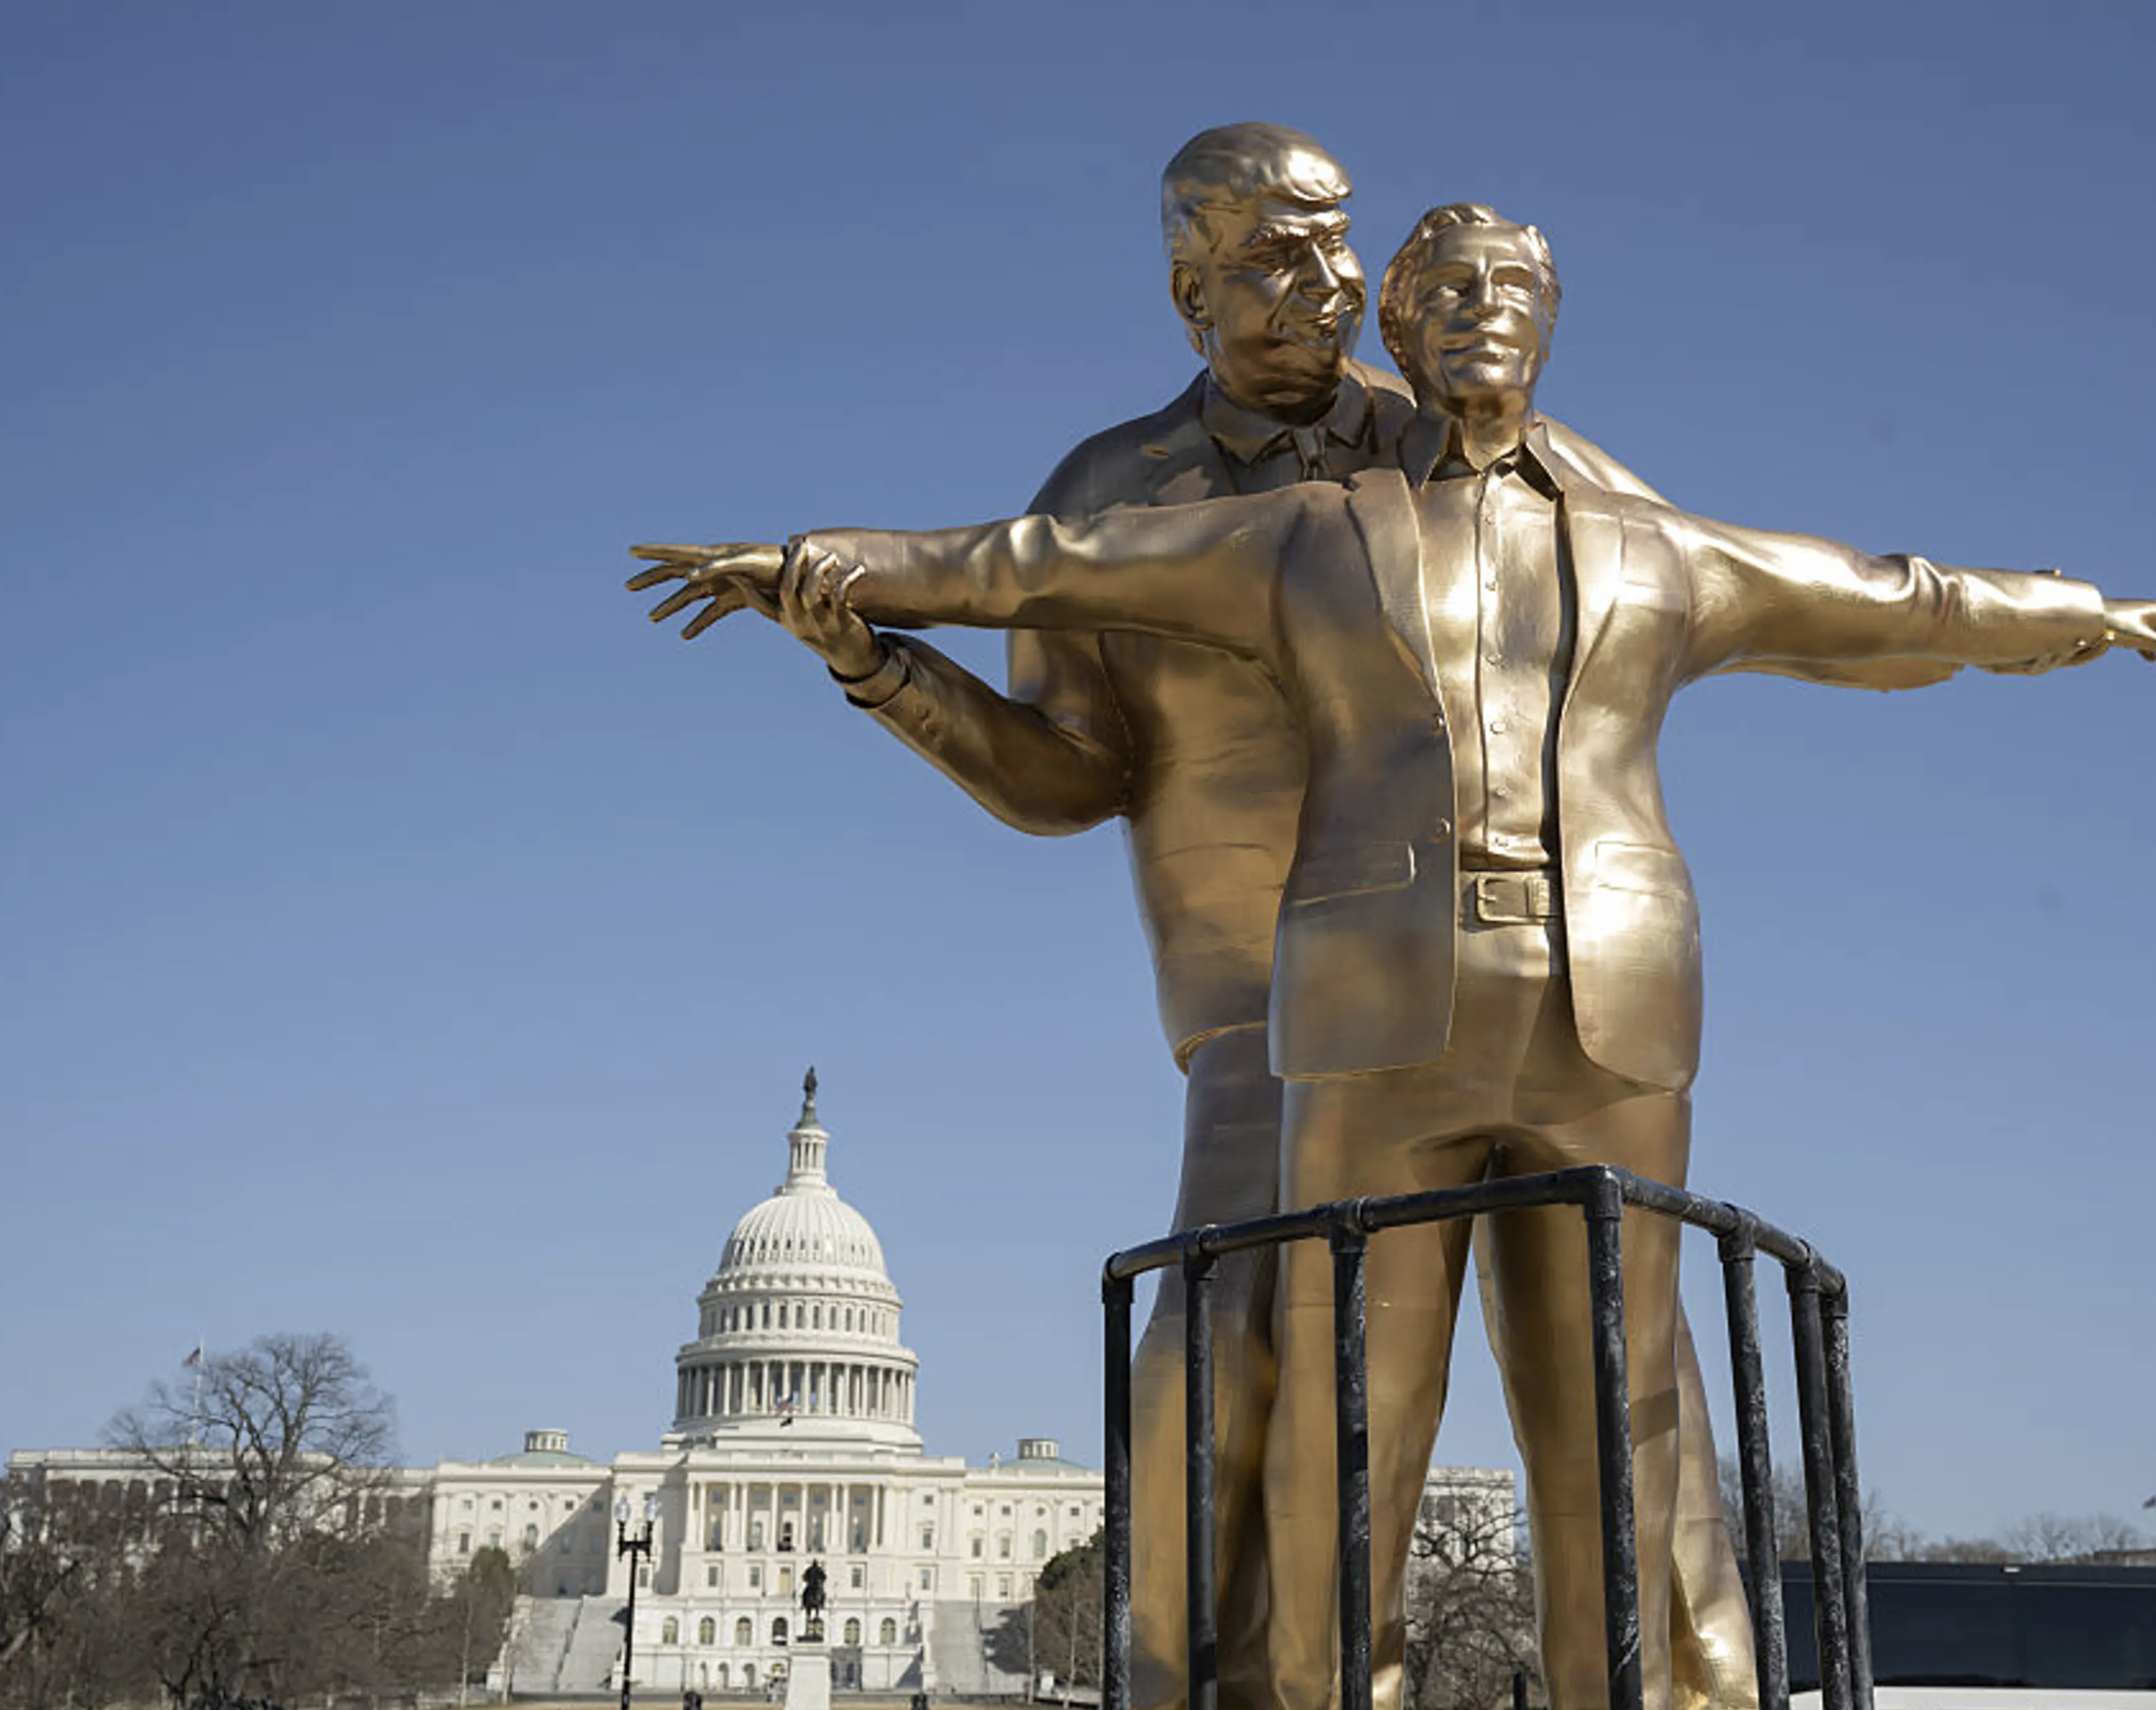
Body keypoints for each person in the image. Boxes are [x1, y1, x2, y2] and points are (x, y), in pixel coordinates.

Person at [634, 204, 2156, 1710]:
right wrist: (813, 567)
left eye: (1514, 298)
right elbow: (1039, 563)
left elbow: (1891, 602)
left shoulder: (1657, 544)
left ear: (1552, 332)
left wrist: (2079, 610)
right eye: (1450, 296)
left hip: (1610, 1013)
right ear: (1401, 332)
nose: (1485, 319)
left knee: (1618, 1431)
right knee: (1353, 1446)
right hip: (1375, 1017)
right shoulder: (1308, 534)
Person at [637, 126, 1760, 1710]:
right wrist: (878, 663)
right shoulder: (1110, 492)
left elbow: (1668, 569)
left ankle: (1673, 1684)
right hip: (1258, 1014)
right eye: (1280, 257)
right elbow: (1064, 775)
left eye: (1341, 245)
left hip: (1509, 984)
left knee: (1620, 1378)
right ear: (1192, 290)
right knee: (1218, 1371)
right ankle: (1206, 1688)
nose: (1335, 284)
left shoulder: (1468, 446)